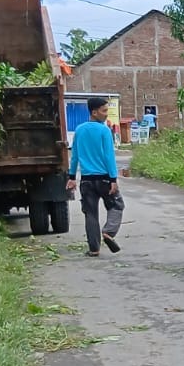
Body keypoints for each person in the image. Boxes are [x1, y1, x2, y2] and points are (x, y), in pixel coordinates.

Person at [66, 96, 124, 257]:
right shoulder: (104, 130)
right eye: (104, 111)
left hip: (86, 181)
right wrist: (113, 179)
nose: (106, 114)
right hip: (105, 179)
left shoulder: (79, 130)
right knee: (117, 206)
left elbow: (75, 156)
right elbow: (109, 157)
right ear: (94, 112)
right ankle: (109, 232)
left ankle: (94, 248)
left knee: (90, 214)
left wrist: (72, 177)